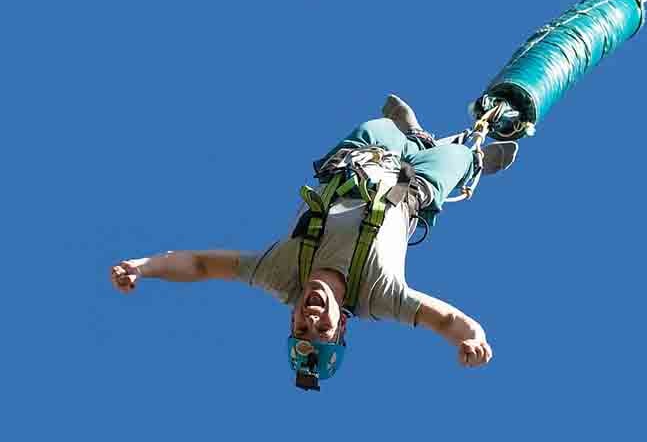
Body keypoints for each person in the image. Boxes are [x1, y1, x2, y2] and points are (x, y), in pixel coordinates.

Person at [110, 95, 518, 390]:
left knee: (383, 125)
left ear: (291, 320)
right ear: (340, 325)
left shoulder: (278, 274)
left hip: (360, 154)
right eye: (320, 330)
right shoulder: (380, 298)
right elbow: (444, 320)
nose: (311, 318)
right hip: (418, 185)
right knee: (459, 159)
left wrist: (142, 267)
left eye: (300, 327)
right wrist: (472, 337)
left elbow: (200, 266)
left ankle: (411, 132)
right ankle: (474, 158)